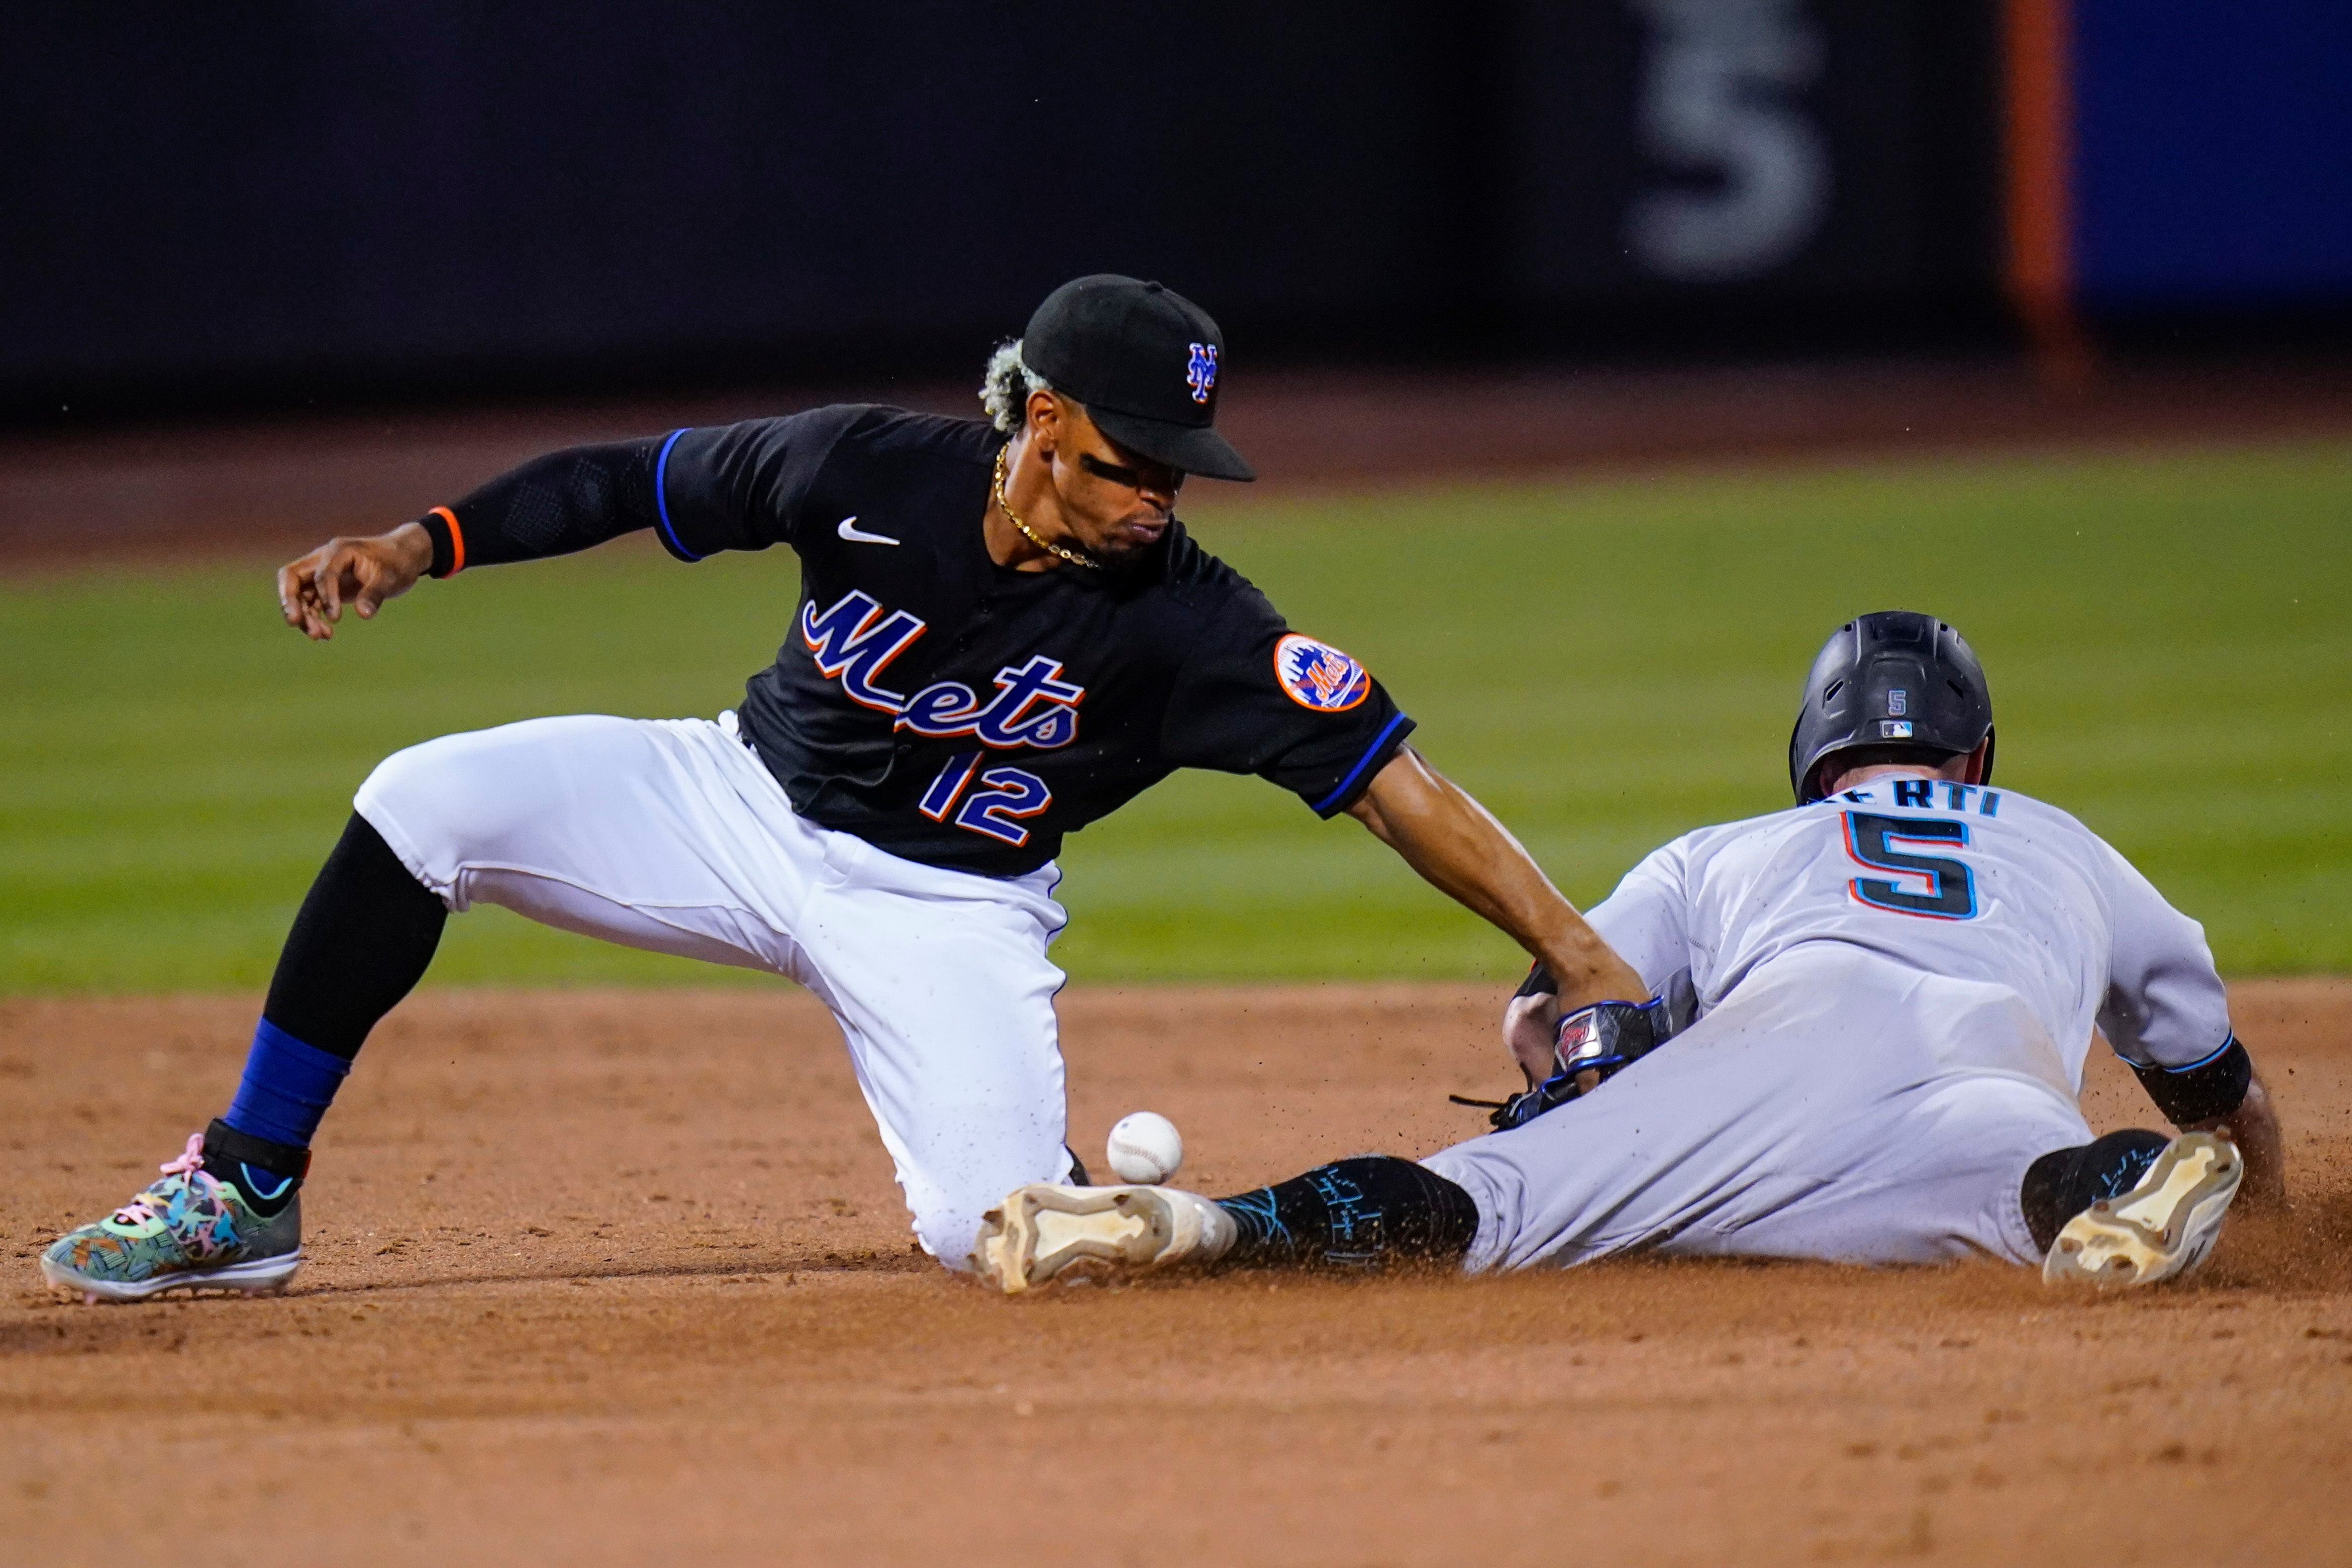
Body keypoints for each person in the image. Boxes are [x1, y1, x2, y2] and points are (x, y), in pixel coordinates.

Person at [41, 275, 1647, 1302]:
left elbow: (1388, 778)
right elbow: (626, 477)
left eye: (1176, 472)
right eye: (1123, 462)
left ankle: (1097, 1190)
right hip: (731, 803)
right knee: (421, 799)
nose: (1152, 500)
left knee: (1000, 1238)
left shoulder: (1192, 617)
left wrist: (1577, 954)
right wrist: (414, 545)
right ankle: (246, 1186)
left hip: (949, 912)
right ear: (1038, 420)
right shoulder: (866, 467)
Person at [972, 611, 2285, 1294]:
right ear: (1976, 757)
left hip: (1776, 1036)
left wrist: (1589, 1087)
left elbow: (1559, 1005)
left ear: (1810, 756)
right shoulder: (2065, 843)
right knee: (2042, 1178)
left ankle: (1198, 1227)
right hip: (1976, 1074)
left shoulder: (1723, 850)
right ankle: (2132, 1188)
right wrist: (2268, 1202)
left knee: (1485, 1199)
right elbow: (2215, 1078)